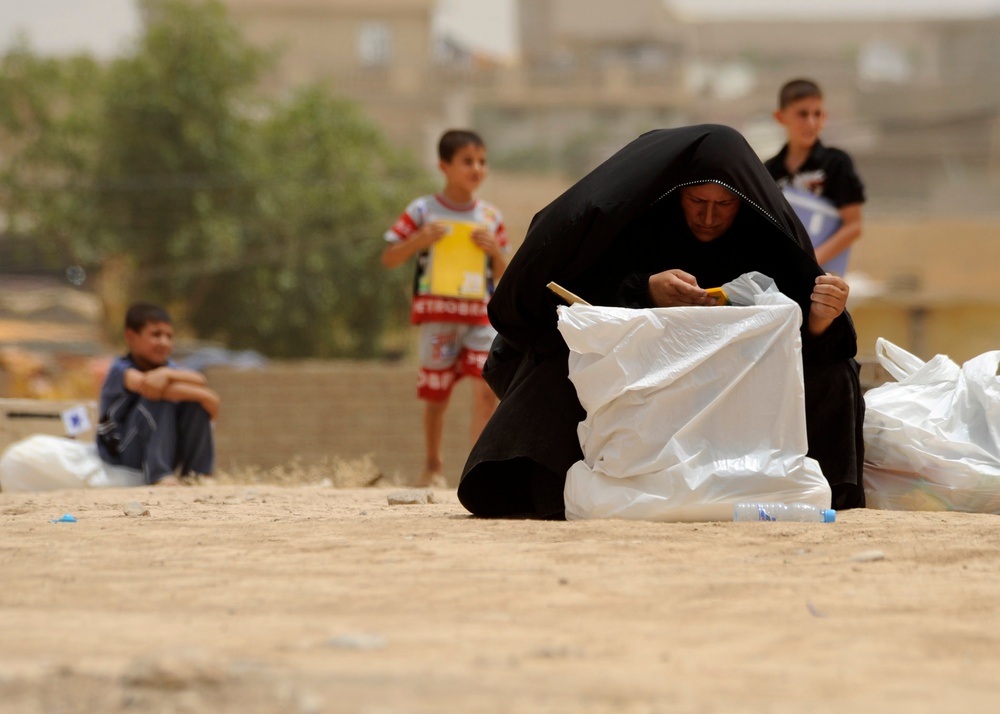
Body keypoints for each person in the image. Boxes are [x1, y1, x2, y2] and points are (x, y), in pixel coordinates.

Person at [458, 124, 866, 520]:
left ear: (744, 200)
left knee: (836, 374)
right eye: (696, 202)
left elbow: (805, 340)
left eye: (723, 205)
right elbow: (575, 299)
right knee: (559, 363)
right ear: (677, 193)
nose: (708, 217)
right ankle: (542, 489)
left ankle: (826, 490)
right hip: (646, 375)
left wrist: (819, 318)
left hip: (736, 383)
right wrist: (645, 292)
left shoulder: (765, 236)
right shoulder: (639, 224)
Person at [381, 129, 508, 488]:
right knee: (438, 393)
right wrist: (419, 240)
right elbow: (390, 256)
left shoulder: (490, 217)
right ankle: (433, 465)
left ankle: (477, 469)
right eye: (467, 161)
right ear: (444, 165)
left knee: (486, 389)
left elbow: (504, 274)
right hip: (438, 317)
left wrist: (494, 253)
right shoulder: (422, 211)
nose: (477, 169)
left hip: (480, 315)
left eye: (482, 161)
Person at [96, 303, 219, 486]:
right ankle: (160, 475)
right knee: (158, 398)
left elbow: (200, 381)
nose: (164, 342)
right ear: (131, 337)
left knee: (194, 406)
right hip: (123, 451)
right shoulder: (120, 370)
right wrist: (206, 396)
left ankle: (198, 475)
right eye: (156, 334)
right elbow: (148, 386)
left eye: (169, 336)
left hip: (162, 448)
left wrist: (167, 374)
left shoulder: (170, 369)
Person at [764, 78, 865, 276]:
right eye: (802, 114)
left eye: (817, 114)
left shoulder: (836, 163)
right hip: (781, 275)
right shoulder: (769, 170)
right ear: (780, 116)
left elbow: (854, 225)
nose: (811, 122)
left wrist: (810, 262)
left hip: (824, 277)